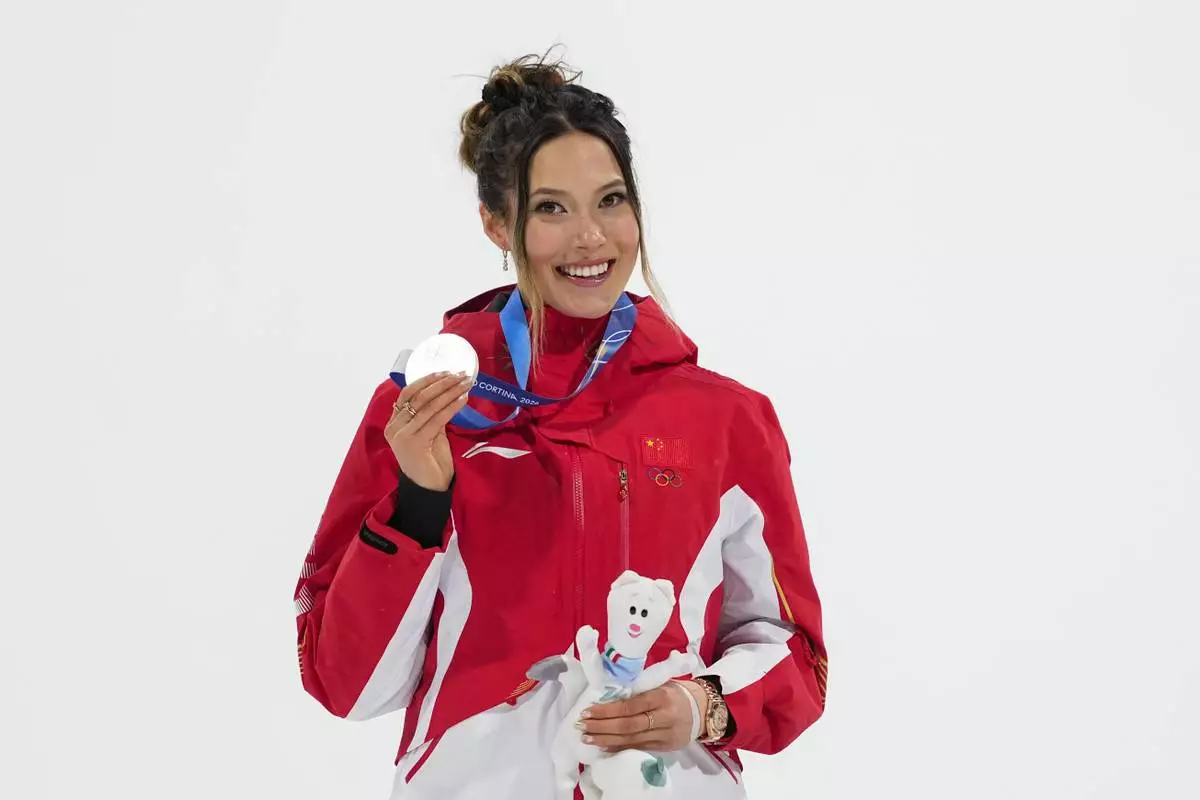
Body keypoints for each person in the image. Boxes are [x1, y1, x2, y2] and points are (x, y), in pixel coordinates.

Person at [293, 52, 828, 799]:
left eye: (610, 201)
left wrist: (703, 706)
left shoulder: (725, 420)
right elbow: (342, 684)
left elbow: (797, 656)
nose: (591, 239)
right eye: (551, 208)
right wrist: (419, 499)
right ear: (495, 222)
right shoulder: (429, 411)